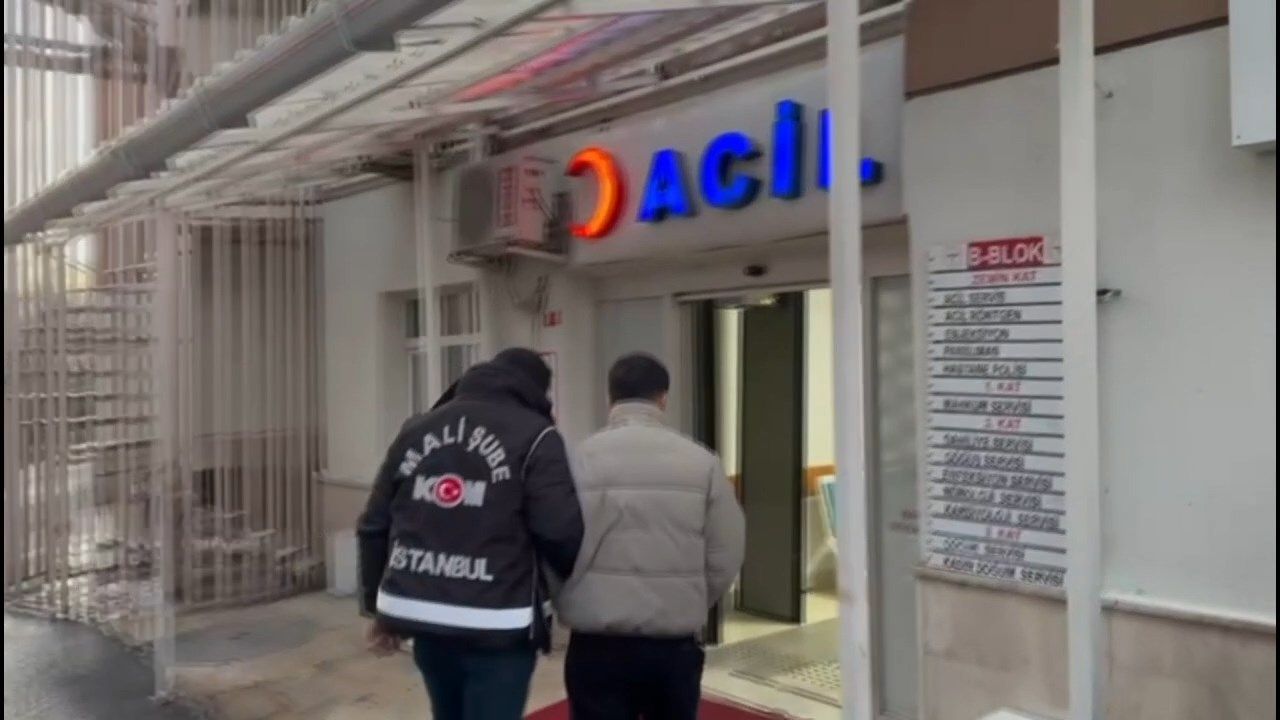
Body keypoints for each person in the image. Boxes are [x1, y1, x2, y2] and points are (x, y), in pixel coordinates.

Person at [356, 347, 583, 720]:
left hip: (424, 618)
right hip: (499, 623)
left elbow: (374, 525)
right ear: (536, 390)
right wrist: (562, 589)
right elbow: (560, 531)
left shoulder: (416, 429)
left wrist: (378, 608)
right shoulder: (537, 436)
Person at [556, 352, 746, 720]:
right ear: (663, 398)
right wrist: (691, 598)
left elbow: (555, 542)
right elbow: (727, 550)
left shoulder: (577, 460)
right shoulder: (701, 462)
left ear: (610, 398)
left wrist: (567, 598)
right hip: (672, 645)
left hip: (597, 643)